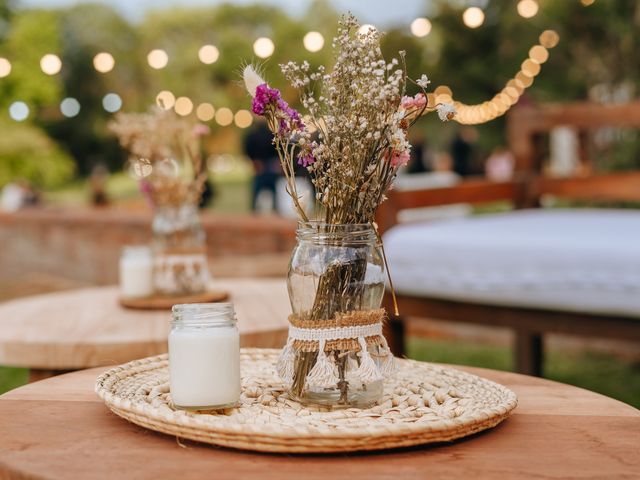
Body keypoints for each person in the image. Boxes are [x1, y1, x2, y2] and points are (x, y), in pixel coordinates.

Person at [243, 119, 280, 212]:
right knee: (266, 189)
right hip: (262, 164)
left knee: (271, 189)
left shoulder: (253, 134)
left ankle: (274, 209)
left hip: (267, 164)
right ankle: (256, 210)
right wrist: (254, 161)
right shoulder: (270, 134)